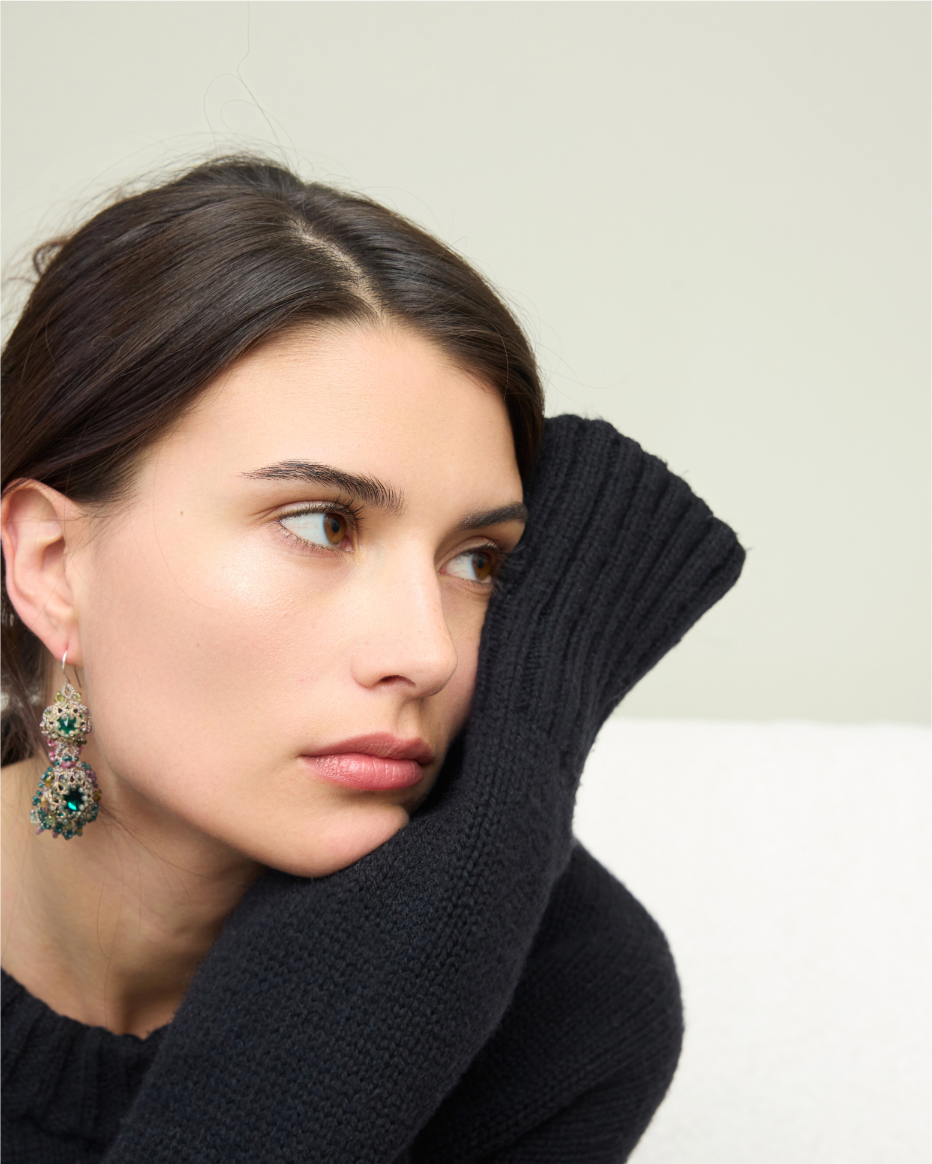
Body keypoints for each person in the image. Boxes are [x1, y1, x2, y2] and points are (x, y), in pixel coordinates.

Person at [0, 156, 744, 1163]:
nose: (427, 653)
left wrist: (507, 792)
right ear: (52, 566)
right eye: (321, 523)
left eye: (479, 561)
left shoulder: (568, 994)